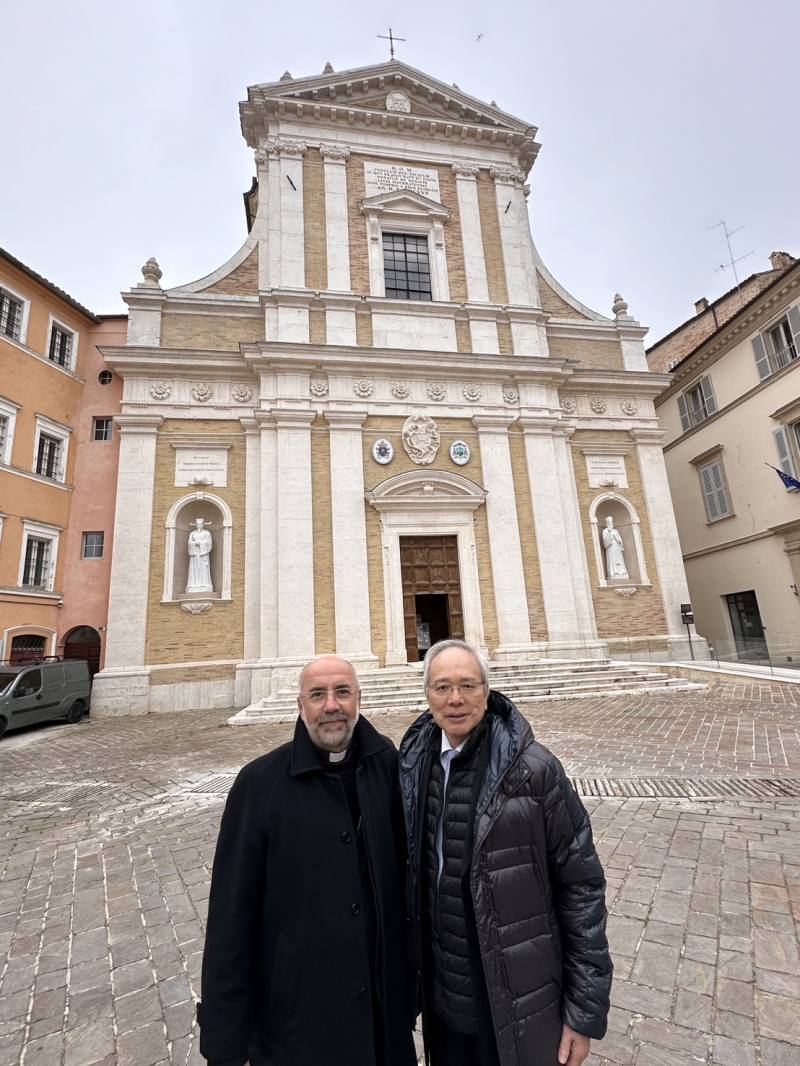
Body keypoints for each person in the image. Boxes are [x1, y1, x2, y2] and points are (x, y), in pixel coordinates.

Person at [399, 639, 613, 1066]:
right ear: (427, 695)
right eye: (442, 687)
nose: (455, 699)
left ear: (488, 690)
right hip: (444, 1010)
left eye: (468, 685)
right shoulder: (411, 764)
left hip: (520, 1004)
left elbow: (582, 886)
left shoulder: (535, 770)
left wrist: (583, 1013)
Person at [199, 655, 417, 1066]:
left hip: (384, 1024)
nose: (331, 706)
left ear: (359, 699)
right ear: (300, 705)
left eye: (342, 692)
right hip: (300, 1029)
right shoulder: (258, 786)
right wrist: (225, 1045)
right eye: (318, 695)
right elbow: (231, 920)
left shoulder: (386, 764)